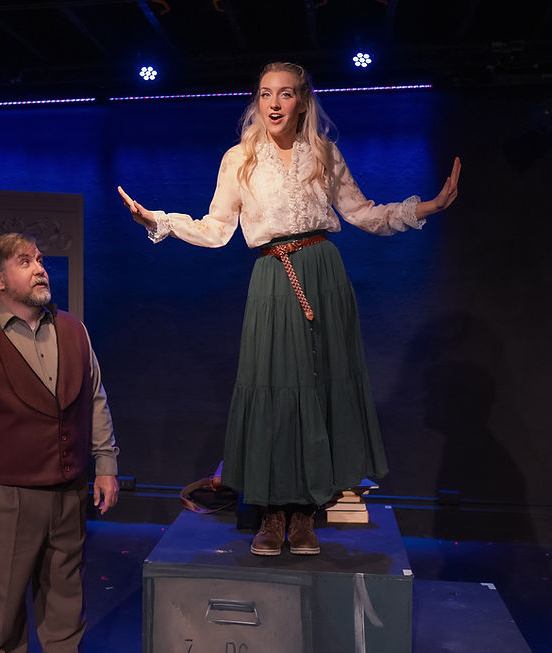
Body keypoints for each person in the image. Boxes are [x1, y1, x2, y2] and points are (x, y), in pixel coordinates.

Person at [118, 61, 461, 556]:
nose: (273, 103)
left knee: (319, 389)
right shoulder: (239, 159)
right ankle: (272, 514)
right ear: (256, 101)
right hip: (273, 275)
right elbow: (217, 229)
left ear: (302, 99)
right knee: (275, 392)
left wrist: (425, 207)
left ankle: (305, 515)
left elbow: (362, 212)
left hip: (323, 272)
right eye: (264, 93)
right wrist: (160, 221)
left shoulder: (323, 152)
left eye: (284, 93)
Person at [0, 233, 120, 652]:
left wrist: (105, 464)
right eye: (24, 261)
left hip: (68, 493)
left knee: (67, 609)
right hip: (7, 498)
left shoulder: (73, 330)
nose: (39, 268)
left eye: (38, 259)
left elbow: (95, 399)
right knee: (3, 615)